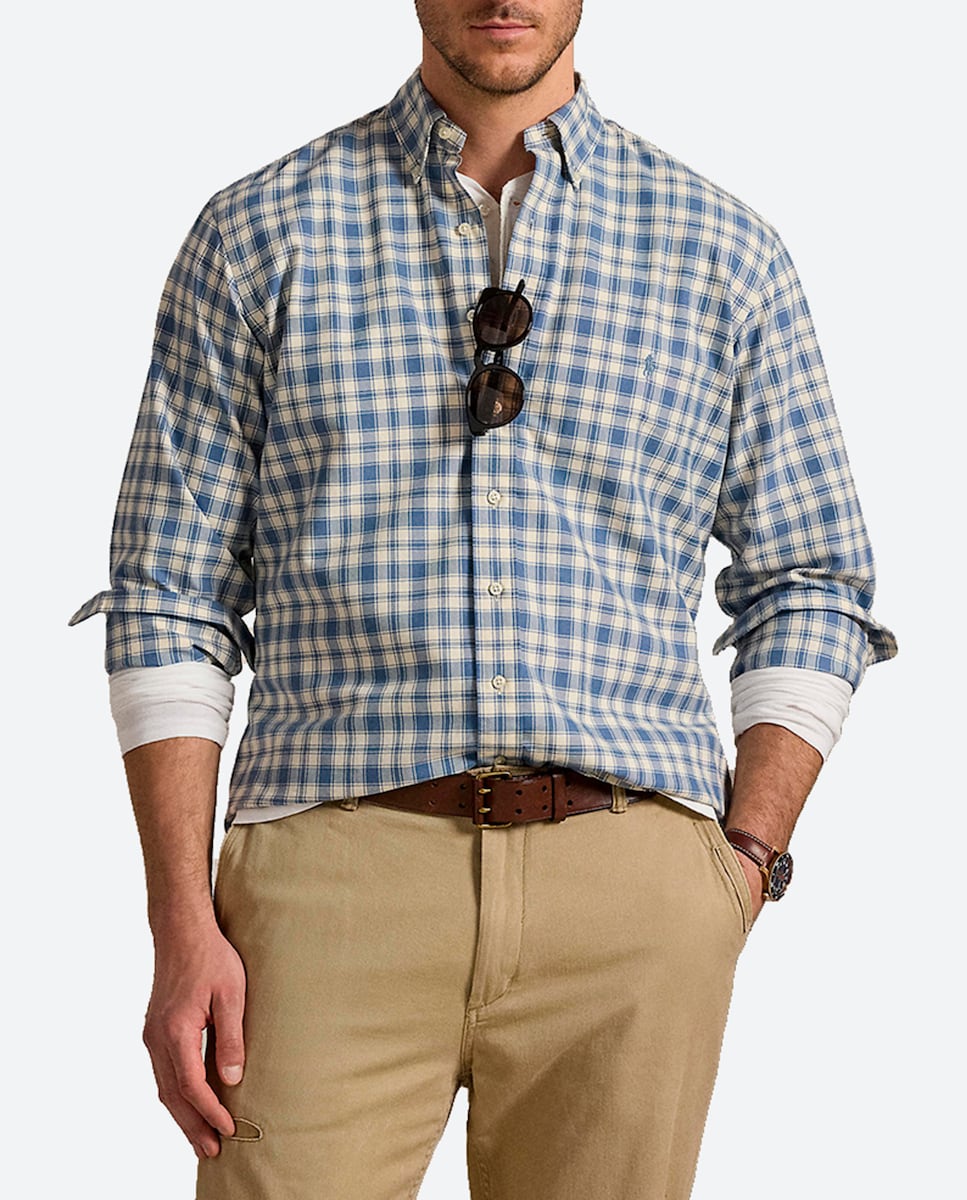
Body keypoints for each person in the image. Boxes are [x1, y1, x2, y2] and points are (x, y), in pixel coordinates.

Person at [70, 3, 897, 1197]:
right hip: (323, 879)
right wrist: (180, 922)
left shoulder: (722, 251)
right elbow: (170, 591)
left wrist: (744, 861)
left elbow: (809, 578)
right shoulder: (260, 232)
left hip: (631, 890)